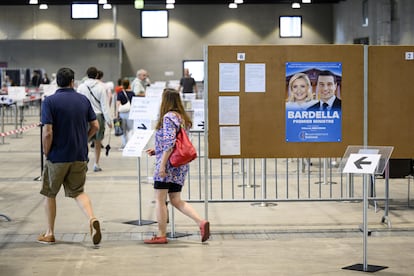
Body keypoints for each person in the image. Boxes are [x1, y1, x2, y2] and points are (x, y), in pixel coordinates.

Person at [38, 67, 102, 245]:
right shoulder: (83, 100)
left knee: (50, 193)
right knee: (78, 192)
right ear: (73, 82)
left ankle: (50, 233)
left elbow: (48, 132)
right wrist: (84, 139)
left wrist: (46, 151)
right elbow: (95, 126)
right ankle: (92, 218)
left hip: (57, 155)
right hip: (79, 154)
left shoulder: (49, 101)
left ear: (57, 82)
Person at [144, 88, 210, 244]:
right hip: (180, 165)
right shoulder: (182, 118)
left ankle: (161, 235)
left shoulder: (168, 118)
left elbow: (170, 144)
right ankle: (200, 222)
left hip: (167, 165)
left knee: (160, 199)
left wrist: (161, 166)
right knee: (176, 199)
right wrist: (157, 150)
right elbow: (177, 142)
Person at [77, 67, 113, 172]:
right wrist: (109, 120)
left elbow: (78, 102)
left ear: (87, 75)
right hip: (98, 116)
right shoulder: (101, 88)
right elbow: (104, 106)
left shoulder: (81, 87)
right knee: (98, 141)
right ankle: (96, 164)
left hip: (84, 115)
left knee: (84, 140)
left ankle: (84, 161)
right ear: (97, 75)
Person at [116, 78, 135, 149]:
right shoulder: (132, 93)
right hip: (130, 113)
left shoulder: (120, 93)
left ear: (122, 85)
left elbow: (118, 104)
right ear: (129, 85)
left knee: (123, 130)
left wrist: (116, 114)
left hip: (122, 113)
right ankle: (131, 143)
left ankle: (124, 144)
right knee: (130, 129)